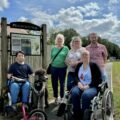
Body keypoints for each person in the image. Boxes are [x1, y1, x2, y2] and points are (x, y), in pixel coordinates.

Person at [71, 50, 102, 120]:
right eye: (83, 55)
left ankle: (84, 114)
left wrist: (88, 86)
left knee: (85, 95)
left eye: (86, 55)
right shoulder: (79, 65)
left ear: (89, 56)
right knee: (74, 93)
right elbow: (75, 76)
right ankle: (76, 113)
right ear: (81, 57)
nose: (85, 56)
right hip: (80, 85)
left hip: (91, 87)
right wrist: (78, 83)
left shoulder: (94, 65)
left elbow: (99, 79)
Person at [50, 33, 69, 104]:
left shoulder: (66, 48)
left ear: (63, 40)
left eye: (61, 39)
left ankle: (61, 97)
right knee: (54, 83)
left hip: (63, 68)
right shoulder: (53, 48)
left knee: (62, 83)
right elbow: (51, 58)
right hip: (54, 68)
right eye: (58, 39)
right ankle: (55, 97)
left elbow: (68, 57)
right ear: (56, 40)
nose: (59, 40)